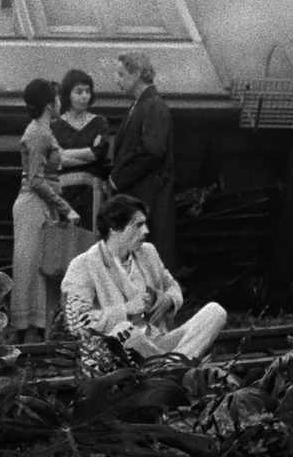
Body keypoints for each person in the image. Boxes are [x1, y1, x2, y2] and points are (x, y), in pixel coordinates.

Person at [61, 194, 225, 360]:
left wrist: (168, 299)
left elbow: (172, 286)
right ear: (114, 228)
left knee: (215, 312)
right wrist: (126, 309)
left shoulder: (148, 252)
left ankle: (170, 364)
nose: (146, 231)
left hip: (157, 342)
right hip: (117, 352)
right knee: (126, 331)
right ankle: (172, 363)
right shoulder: (83, 265)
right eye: (138, 225)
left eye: (145, 224)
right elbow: (78, 323)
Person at [12, 78, 82, 344]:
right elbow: (35, 180)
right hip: (33, 206)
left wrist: (95, 153)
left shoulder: (44, 131)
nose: (61, 101)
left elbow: (60, 158)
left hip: (40, 206)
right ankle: (28, 334)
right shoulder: (38, 133)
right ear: (50, 104)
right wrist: (67, 208)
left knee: (38, 268)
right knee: (31, 270)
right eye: (57, 97)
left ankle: (33, 333)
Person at [109, 51, 176, 268]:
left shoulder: (154, 105)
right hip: (140, 197)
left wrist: (118, 180)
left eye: (121, 74)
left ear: (137, 73)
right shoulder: (140, 105)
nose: (117, 80)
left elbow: (153, 152)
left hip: (147, 196)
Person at [51, 68, 111, 228]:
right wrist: (89, 155)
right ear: (68, 94)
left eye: (87, 91)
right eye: (79, 91)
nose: (84, 96)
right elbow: (55, 159)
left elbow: (99, 152)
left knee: (92, 237)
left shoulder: (99, 122)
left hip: (92, 194)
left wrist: (65, 154)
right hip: (64, 194)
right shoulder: (55, 125)